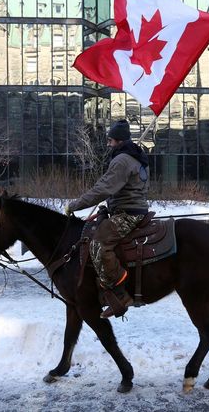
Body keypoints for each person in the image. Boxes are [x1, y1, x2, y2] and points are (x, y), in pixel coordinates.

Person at [64, 120, 149, 318]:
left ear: (118, 141)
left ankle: (120, 293)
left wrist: (74, 205)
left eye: (110, 140)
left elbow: (103, 189)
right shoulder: (134, 158)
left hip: (128, 214)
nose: (108, 144)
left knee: (97, 244)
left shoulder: (122, 160)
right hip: (129, 209)